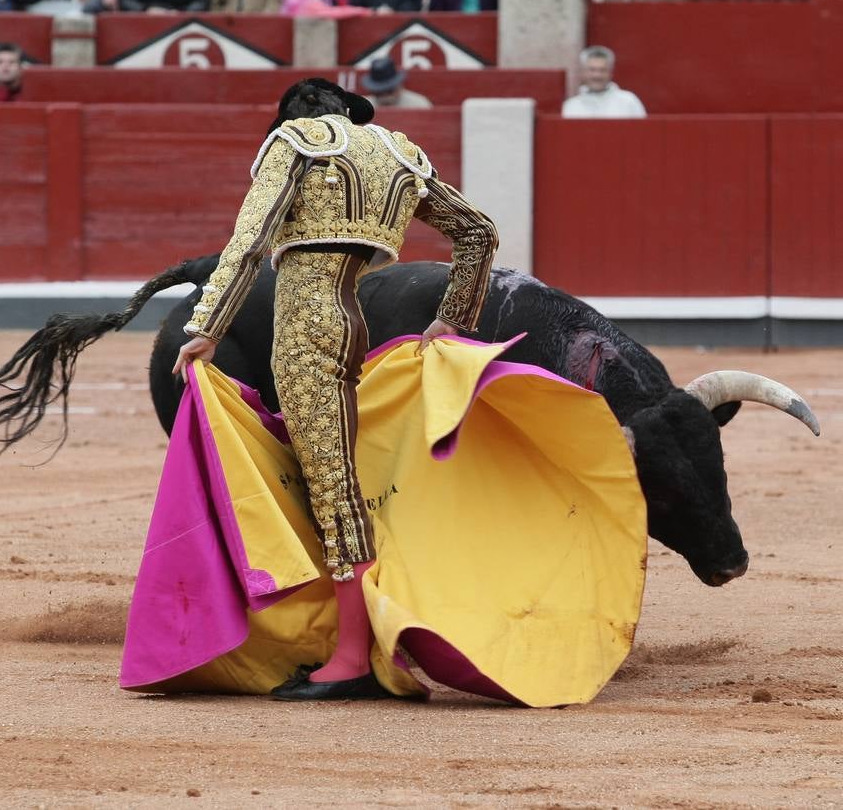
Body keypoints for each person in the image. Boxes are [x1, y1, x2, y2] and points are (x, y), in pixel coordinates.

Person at [170, 78, 498, 699]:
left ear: (293, 116)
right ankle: (352, 641)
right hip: (352, 318)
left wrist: (207, 327)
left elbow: (249, 241)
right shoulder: (399, 155)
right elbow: (479, 232)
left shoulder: (295, 141)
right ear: (347, 111)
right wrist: (453, 315)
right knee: (336, 477)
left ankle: (354, 659)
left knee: (333, 486)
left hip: (303, 324)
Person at [561, 45, 647, 118]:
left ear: (611, 72)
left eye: (602, 70)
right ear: (582, 72)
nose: (597, 75)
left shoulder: (629, 102)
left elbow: (644, 134)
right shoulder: (570, 106)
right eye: (592, 70)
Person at [361, 56, 431, 108]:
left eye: (390, 91)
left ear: (399, 86)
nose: (385, 97)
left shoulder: (419, 105)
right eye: (379, 92)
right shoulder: (362, 107)